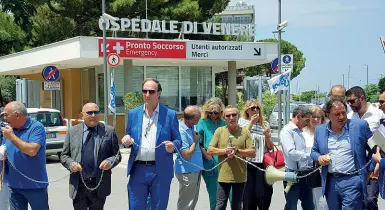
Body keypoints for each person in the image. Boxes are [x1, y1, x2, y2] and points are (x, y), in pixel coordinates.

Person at [121, 78, 182, 210]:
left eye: (151, 91)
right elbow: (128, 136)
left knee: (159, 207)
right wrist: (126, 139)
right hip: (138, 169)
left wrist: (173, 146)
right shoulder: (133, 114)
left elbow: (178, 141)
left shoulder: (169, 115)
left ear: (158, 94)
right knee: (136, 207)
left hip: (160, 170)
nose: (147, 95)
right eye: (144, 91)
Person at [311, 96, 372, 210]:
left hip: (352, 180)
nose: (341, 117)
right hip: (330, 182)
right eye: (337, 114)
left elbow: (376, 148)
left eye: (343, 113)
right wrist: (319, 158)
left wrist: (369, 170)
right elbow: (313, 151)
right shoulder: (320, 130)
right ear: (327, 115)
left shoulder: (360, 126)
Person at [60, 103, 122, 210]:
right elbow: (64, 155)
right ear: (82, 115)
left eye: (96, 112)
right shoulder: (72, 132)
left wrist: (109, 161)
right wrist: (71, 164)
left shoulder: (109, 131)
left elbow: (117, 155)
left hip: (99, 183)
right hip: (79, 183)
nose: (93, 115)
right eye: (89, 112)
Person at [1, 101, 49, 210]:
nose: (4, 118)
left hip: (35, 186)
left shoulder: (36, 127)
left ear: (17, 115)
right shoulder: (10, 129)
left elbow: (32, 150)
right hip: (14, 186)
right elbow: (5, 149)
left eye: (6, 115)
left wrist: (12, 137)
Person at [207, 105, 256, 210]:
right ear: (224, 118)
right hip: (223, 176)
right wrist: (225, 151)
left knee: (237, 206)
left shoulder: (245, 131)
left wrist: (237, 151)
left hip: (240, 176)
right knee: (220, 206)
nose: (231, 118)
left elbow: (252, 152)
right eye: (228, 115)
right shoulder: (219, 131)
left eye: (234, 115)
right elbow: (210, 150)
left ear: (238, 116)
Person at [345, 86, 385, 210]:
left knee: (369, 199)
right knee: (358, 199)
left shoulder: (378, 114)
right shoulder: (349, 117)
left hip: (374, 162)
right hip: (355, 163)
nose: (350, 104)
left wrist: (378, 162)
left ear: (361, 98)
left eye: (352, 101)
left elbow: (380, 141)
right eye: (348, 102)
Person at [238, 99, 274, 210]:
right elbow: (240, 140)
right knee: (249, 196)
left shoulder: (265, 124)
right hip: (247, 163)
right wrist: (251, 124)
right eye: (252, 108)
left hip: (263, 164)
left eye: (257, 108)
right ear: (247, 111)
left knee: (264, 194)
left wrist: (267, 136)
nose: (255, 110)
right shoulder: (242, 122)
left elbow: (270, 147)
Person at [280, 105, 314, 210]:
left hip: (305, 174)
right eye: (306, 120)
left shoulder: (299, 131)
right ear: (298, 116)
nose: (308, 123)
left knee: (309, 206)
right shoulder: (287, 131)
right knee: (291, 206)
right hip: (292, 175)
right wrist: (311, 156)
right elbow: (291, 153)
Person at [196, 97, 227, 210]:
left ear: (220, 112)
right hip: (210, 164)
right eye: (210, 113)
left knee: (233, 196)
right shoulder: (202, 123)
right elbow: (198, 142)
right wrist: (206, 154)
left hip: (225, 163)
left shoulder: (224, 123)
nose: (213, 115)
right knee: (214, 196)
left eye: (215, 113)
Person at [297, 106, 328, 210]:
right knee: (304, 202)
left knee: (321, 202)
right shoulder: (302, 133)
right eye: (313, 117)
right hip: (303, 171)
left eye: (318, 117)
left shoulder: (326, 134)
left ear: (322, 119)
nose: (315, 120)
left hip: (319, 172)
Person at [175, 106, 203, 210]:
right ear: (193, 118)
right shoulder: (181, 130)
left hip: (195, 169)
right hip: (187, 171)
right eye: (199, 117)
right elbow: (186, 154)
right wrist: (195, 141)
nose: (200, 119)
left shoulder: (192, 126)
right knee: (186, 203)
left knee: (192, 201)